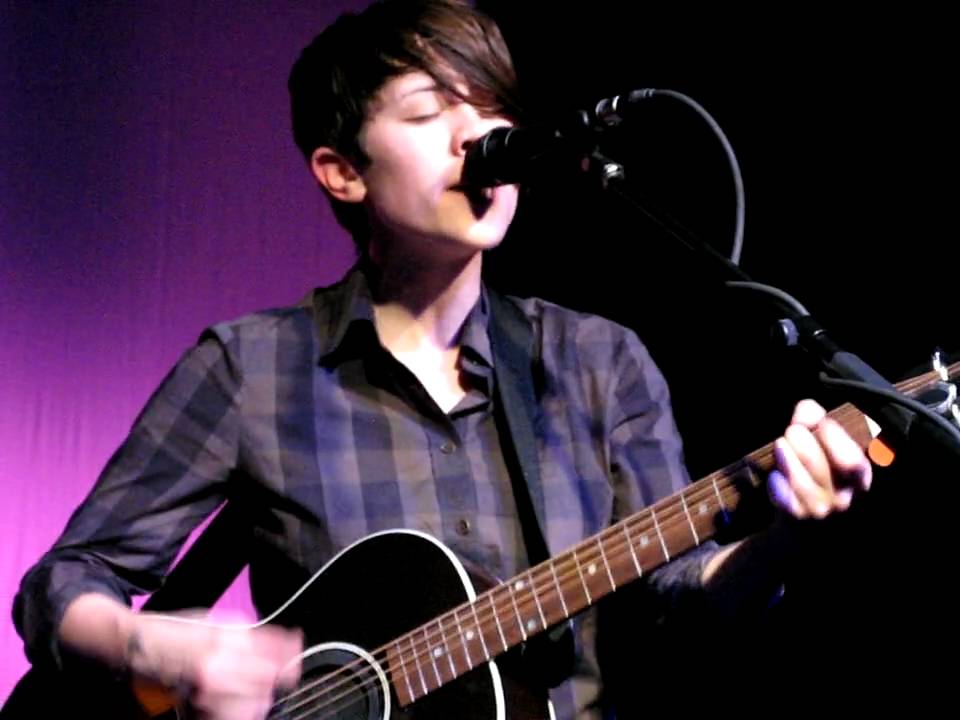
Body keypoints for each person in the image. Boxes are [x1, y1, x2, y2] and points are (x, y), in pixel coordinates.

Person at [11, 1, 873, 718]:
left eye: (494, 111)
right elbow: (65, 579)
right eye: (430, 114)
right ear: (342, 171)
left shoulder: (599, 363)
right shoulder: (252, 369)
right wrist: (147, 642)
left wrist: (786, 540)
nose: (480, 138)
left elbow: (681, 607)